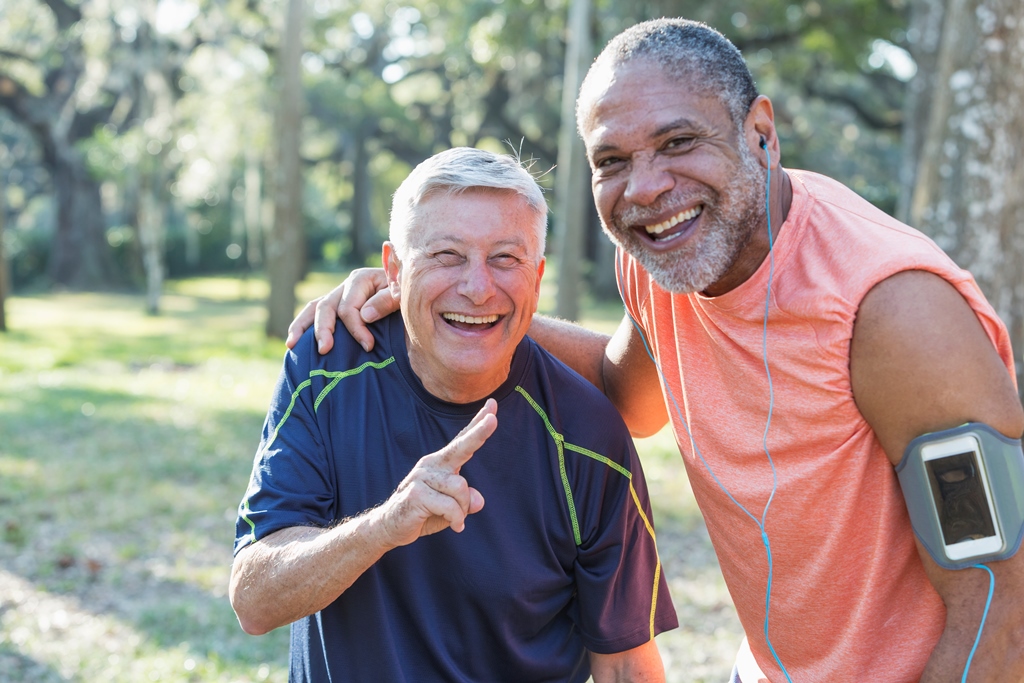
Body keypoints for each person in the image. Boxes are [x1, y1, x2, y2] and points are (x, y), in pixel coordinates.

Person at [289, 19, 1024, 683]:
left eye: (679, 143)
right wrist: (442, 301)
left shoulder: (893, 310)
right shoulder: (663, 266)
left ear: (760, 132)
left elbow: (997, 594)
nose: (646, 189)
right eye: (612, 160)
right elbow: (629, 394)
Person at [230, 147, 677, 682]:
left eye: (505, 259)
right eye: (446, 255)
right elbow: (254, 601)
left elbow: (626, 664)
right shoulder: (328, 368)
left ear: (536, 279)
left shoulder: (586, 434)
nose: (477, 286)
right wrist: (384, 526)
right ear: (393, 268)